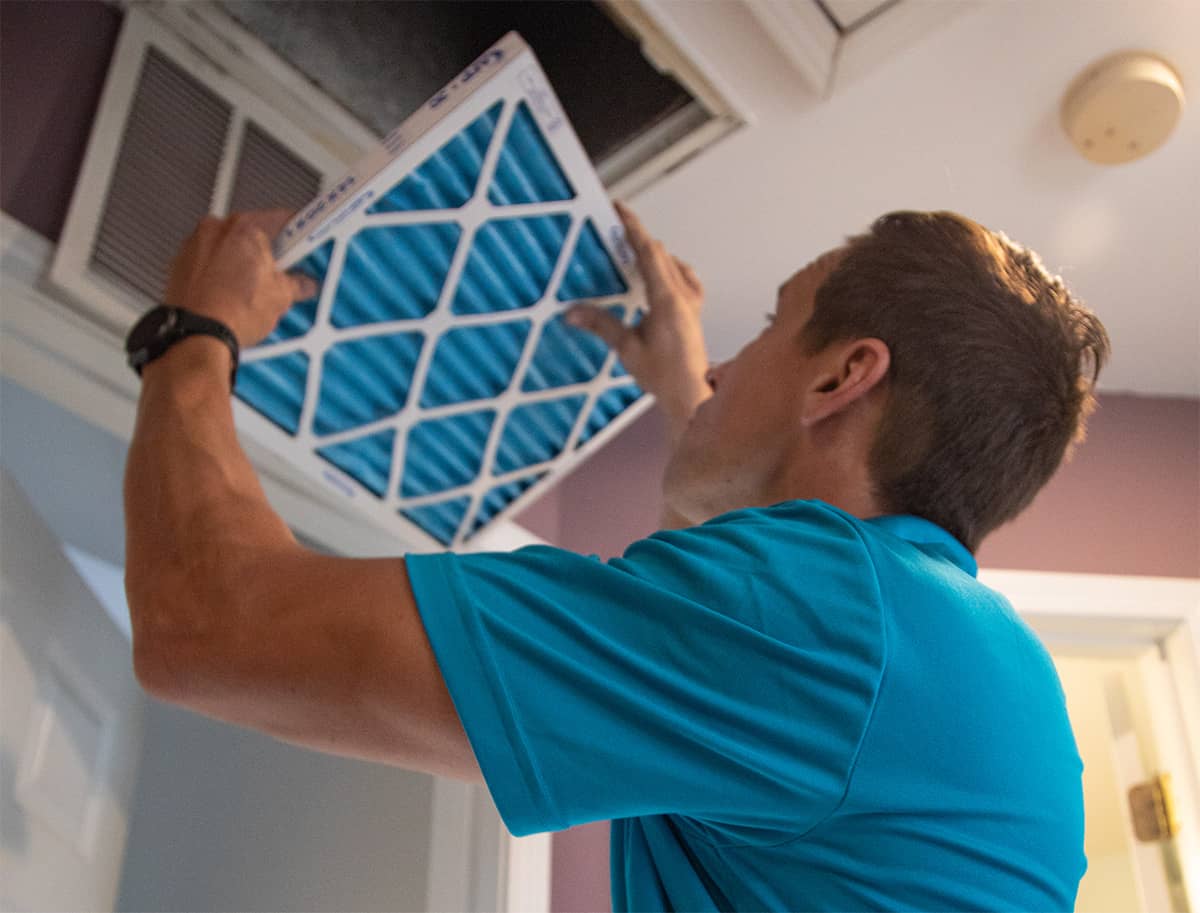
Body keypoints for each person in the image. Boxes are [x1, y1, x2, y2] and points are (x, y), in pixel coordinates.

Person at [124, 202, 1110, 912]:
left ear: (846, 375)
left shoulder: (827, 621)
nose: (723, 365)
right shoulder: (959, 658)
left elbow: (204, 620)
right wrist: (697, 402)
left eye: (772, 326)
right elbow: (751, 651)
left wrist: (193, 334)